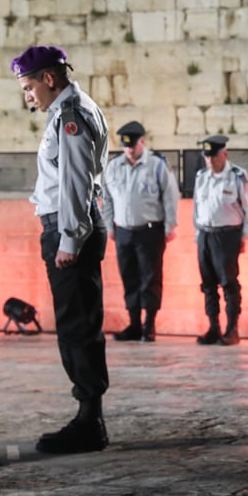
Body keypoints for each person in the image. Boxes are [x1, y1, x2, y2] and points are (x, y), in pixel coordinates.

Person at [12, 44, 111, 454]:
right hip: (70, 225)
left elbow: (74, 182)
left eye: (29, 86)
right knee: (78, 325)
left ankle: (89, 422)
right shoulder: (70, 110)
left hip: (70, 229)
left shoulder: (70, 116)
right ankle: (90, 416)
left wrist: (69, 239)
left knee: (77, 327)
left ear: (49, 78)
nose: (27, 96)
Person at [101, 120, 180, 343]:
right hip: (123, 230)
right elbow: (106, 199)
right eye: (126, 146)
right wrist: (110, 225)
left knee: (150, 278)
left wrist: (170, 226)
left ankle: (149, 325)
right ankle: (134, 324)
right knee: (129, 278)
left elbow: (170, 196)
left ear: (142, 142)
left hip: (149, 231)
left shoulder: (156, 164)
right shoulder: (114, 166)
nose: (129, 150)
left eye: (133, 145)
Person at [193, 134, 248, 346]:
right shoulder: (201, 176)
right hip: (205, 233)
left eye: (214, 156)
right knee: (208, 285)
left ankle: (232, 329)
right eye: (207, 157)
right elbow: (197, 207)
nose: (210, 161)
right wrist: (198, 234)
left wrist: (244, 236)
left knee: (229, 283)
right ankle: (214, 327)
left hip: (227, 234)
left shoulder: (237, 176)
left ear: (224, 154)